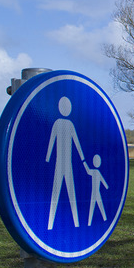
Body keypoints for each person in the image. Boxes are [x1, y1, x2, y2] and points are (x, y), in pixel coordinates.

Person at [45, 97, 84, 230]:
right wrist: (47, 157)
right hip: (62, 163)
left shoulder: (65, 124)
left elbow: (77, 143)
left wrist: (83, 159)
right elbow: (52, 141)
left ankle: (75, 222)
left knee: (69, 191)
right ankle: (50, 224)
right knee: (58, 192)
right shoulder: (60, 124)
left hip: (65, 164)